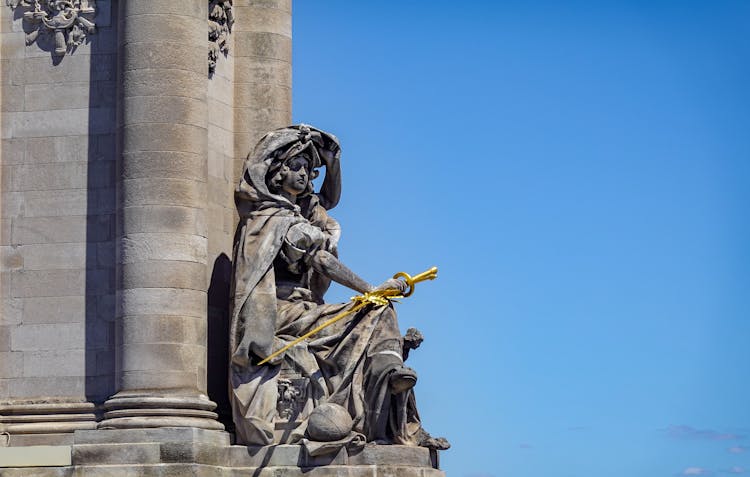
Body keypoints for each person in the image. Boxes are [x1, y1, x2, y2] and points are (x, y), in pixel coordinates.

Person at [229, 125, 449, 450]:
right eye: (298, 167)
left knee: (377, 313)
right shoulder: (273, 221)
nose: (306, 175)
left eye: (309, 169)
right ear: (278, 173)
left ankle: (396, 395)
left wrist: (333, 164)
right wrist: (372, 289)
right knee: (376, 307)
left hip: (307, 310)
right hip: (284, 313)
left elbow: (327, 201)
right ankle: (391, 385)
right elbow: (321, 261)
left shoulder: (298, 214)